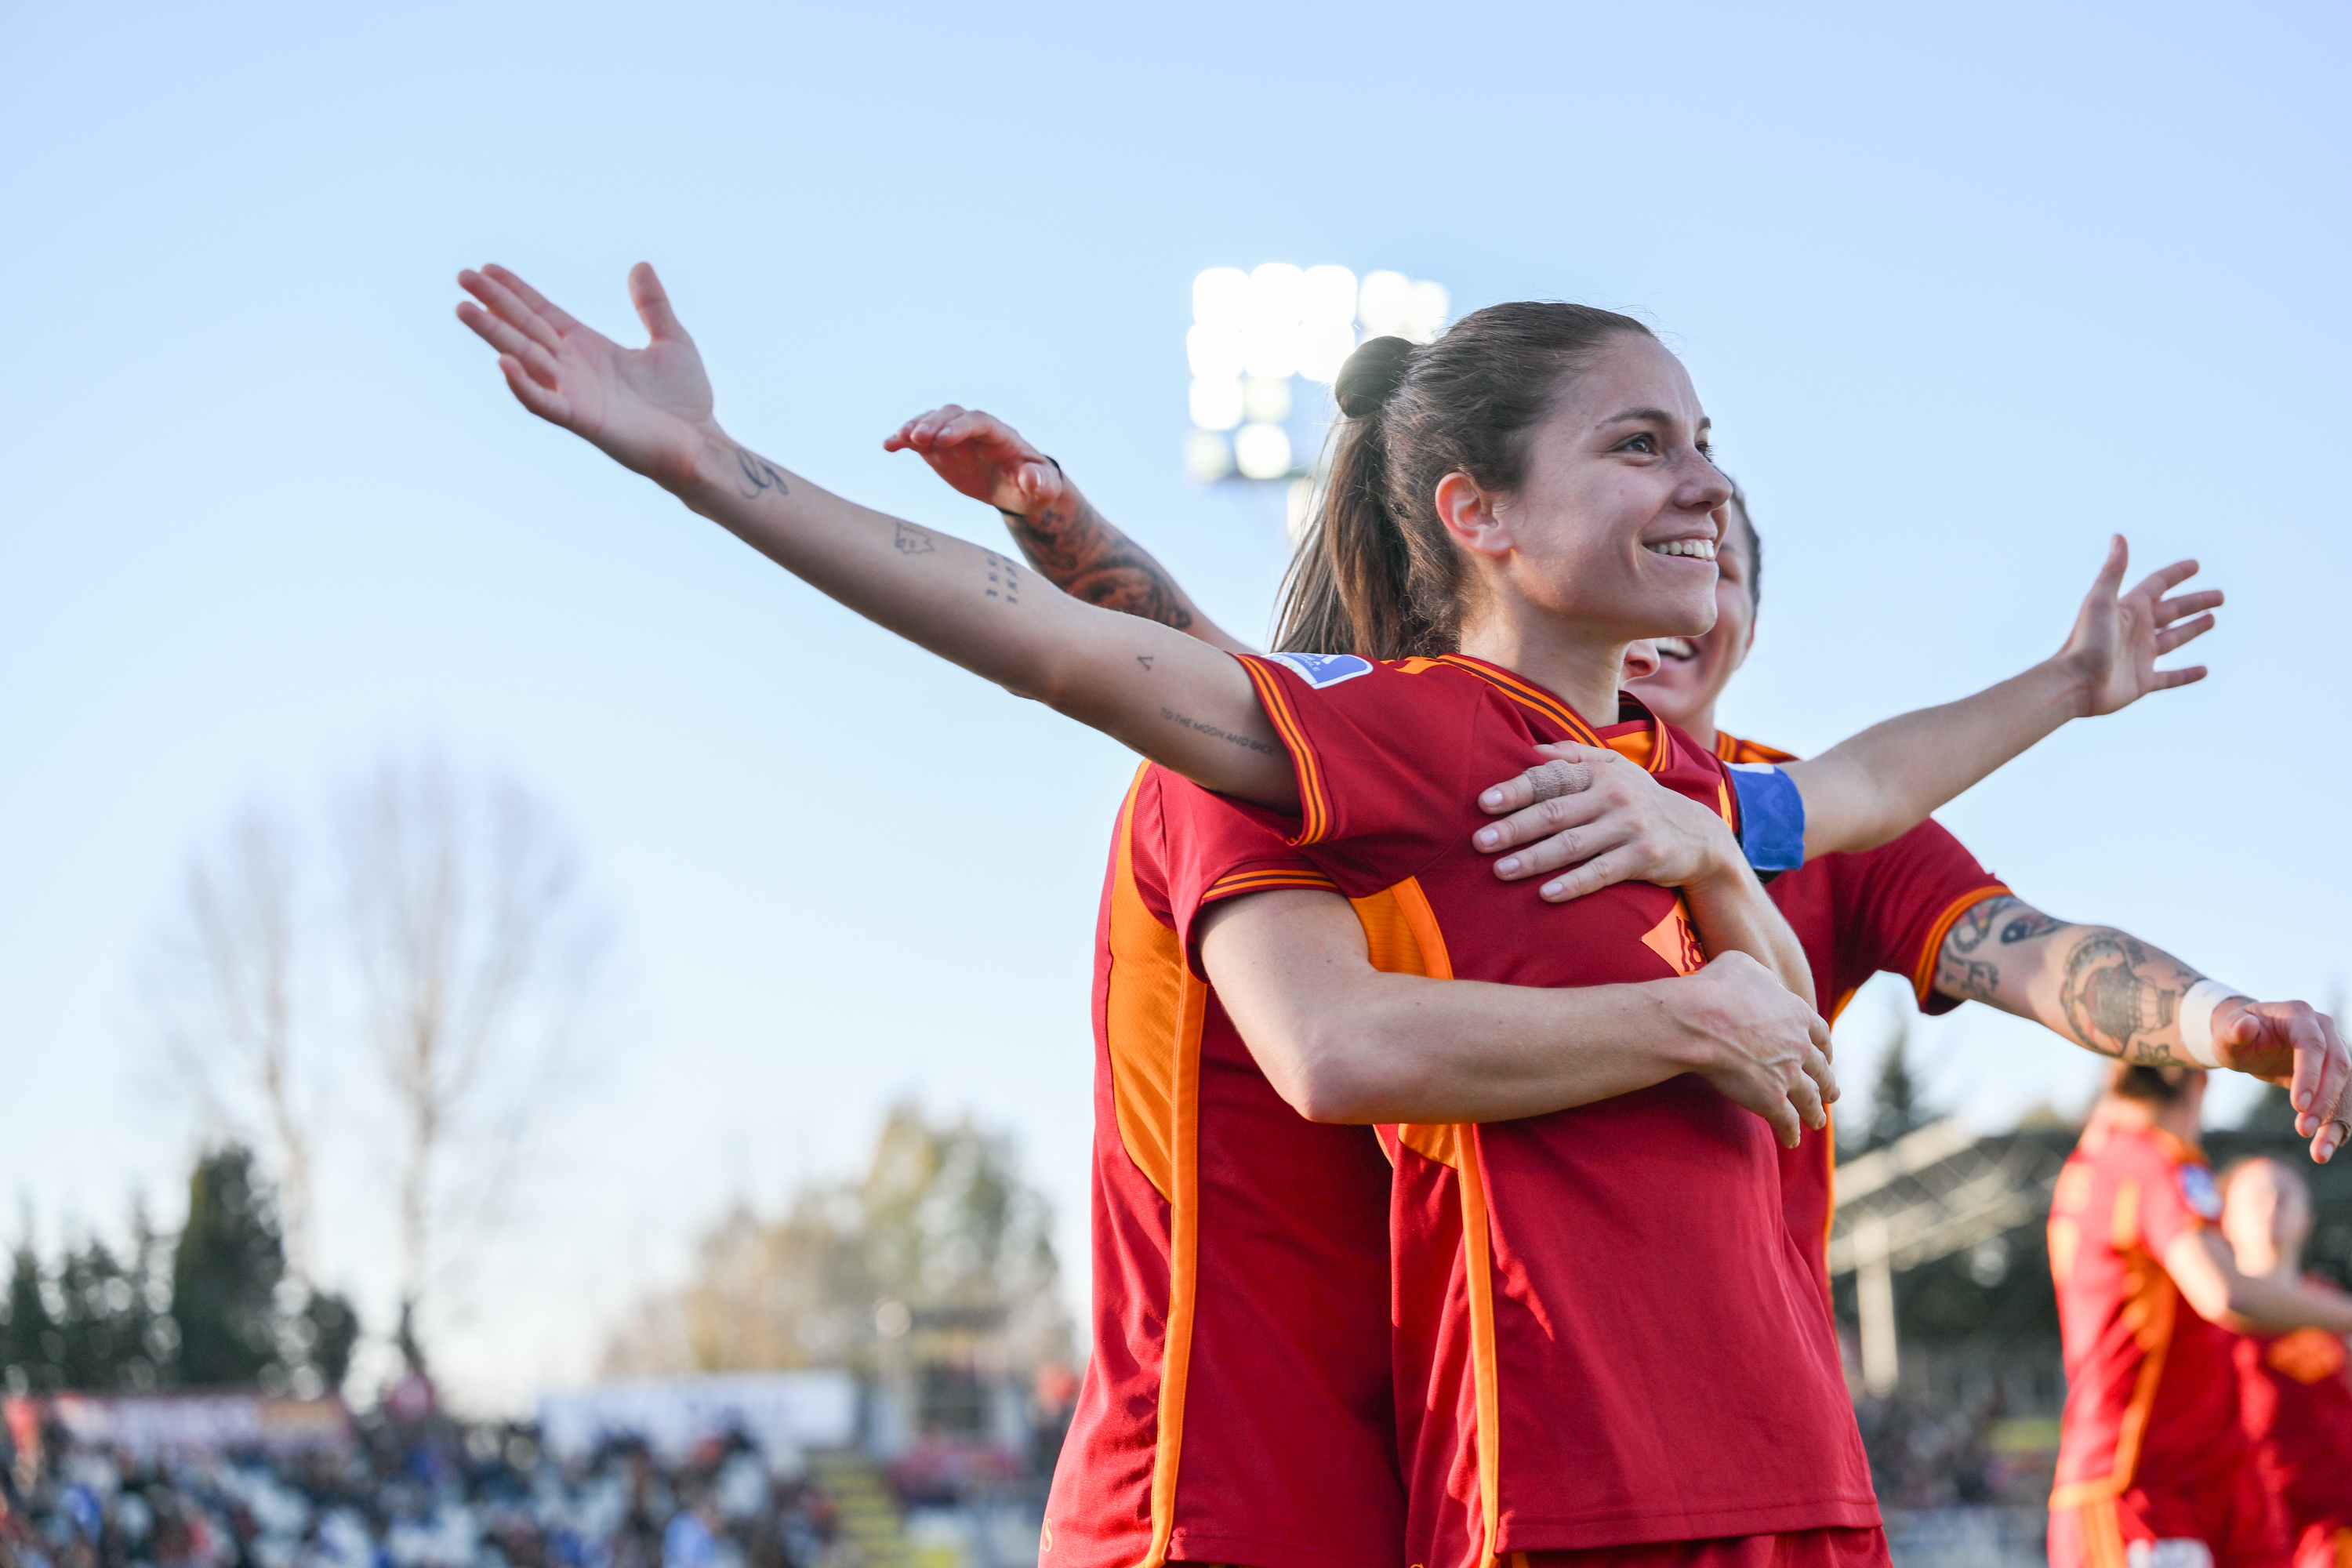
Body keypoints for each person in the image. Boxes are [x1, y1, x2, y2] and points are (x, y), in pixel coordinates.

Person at [450, 268, 2339, 1568]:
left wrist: (2169, 959)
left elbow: (1897, 851)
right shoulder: (1410, 736)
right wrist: (715, 466)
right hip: (1496, 1488)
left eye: (1715, 473)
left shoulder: (1703, 794)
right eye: (1645, 449)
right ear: (1478, 517)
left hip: (1786, 1474)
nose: (1701, 494)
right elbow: (1111, 676)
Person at [2050, 1068, 2352, 1568]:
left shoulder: (2106, 1160)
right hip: (2144, 1485)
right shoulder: (2150, 1162)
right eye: (2256, 1195)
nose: (2272, 1206)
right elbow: (2226, 1294)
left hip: (2217, 1493)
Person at [2221, 1157, 2352, 1568]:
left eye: (2286, 1193)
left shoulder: (2334, 1307)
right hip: (2243, 1528)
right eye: (2258, 1194)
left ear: (2308, 1218)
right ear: (2224, 1217)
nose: (2273, 1203)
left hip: (2332, 1527)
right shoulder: (2206, 1315)